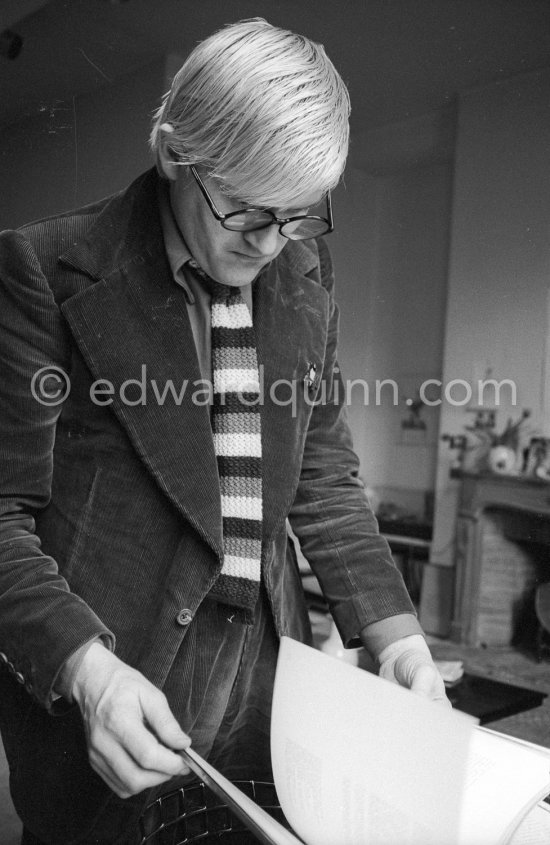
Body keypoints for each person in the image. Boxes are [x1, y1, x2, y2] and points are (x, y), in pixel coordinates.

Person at [0, 18, 448, 845]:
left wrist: (401, 641)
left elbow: (324, 479)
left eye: (299, 216)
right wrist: (87, 674)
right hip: (111, 677)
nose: (271, 243)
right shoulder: (42, 267)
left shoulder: (302, 272)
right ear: (176, 154)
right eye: (245, 210)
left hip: (267, 681)